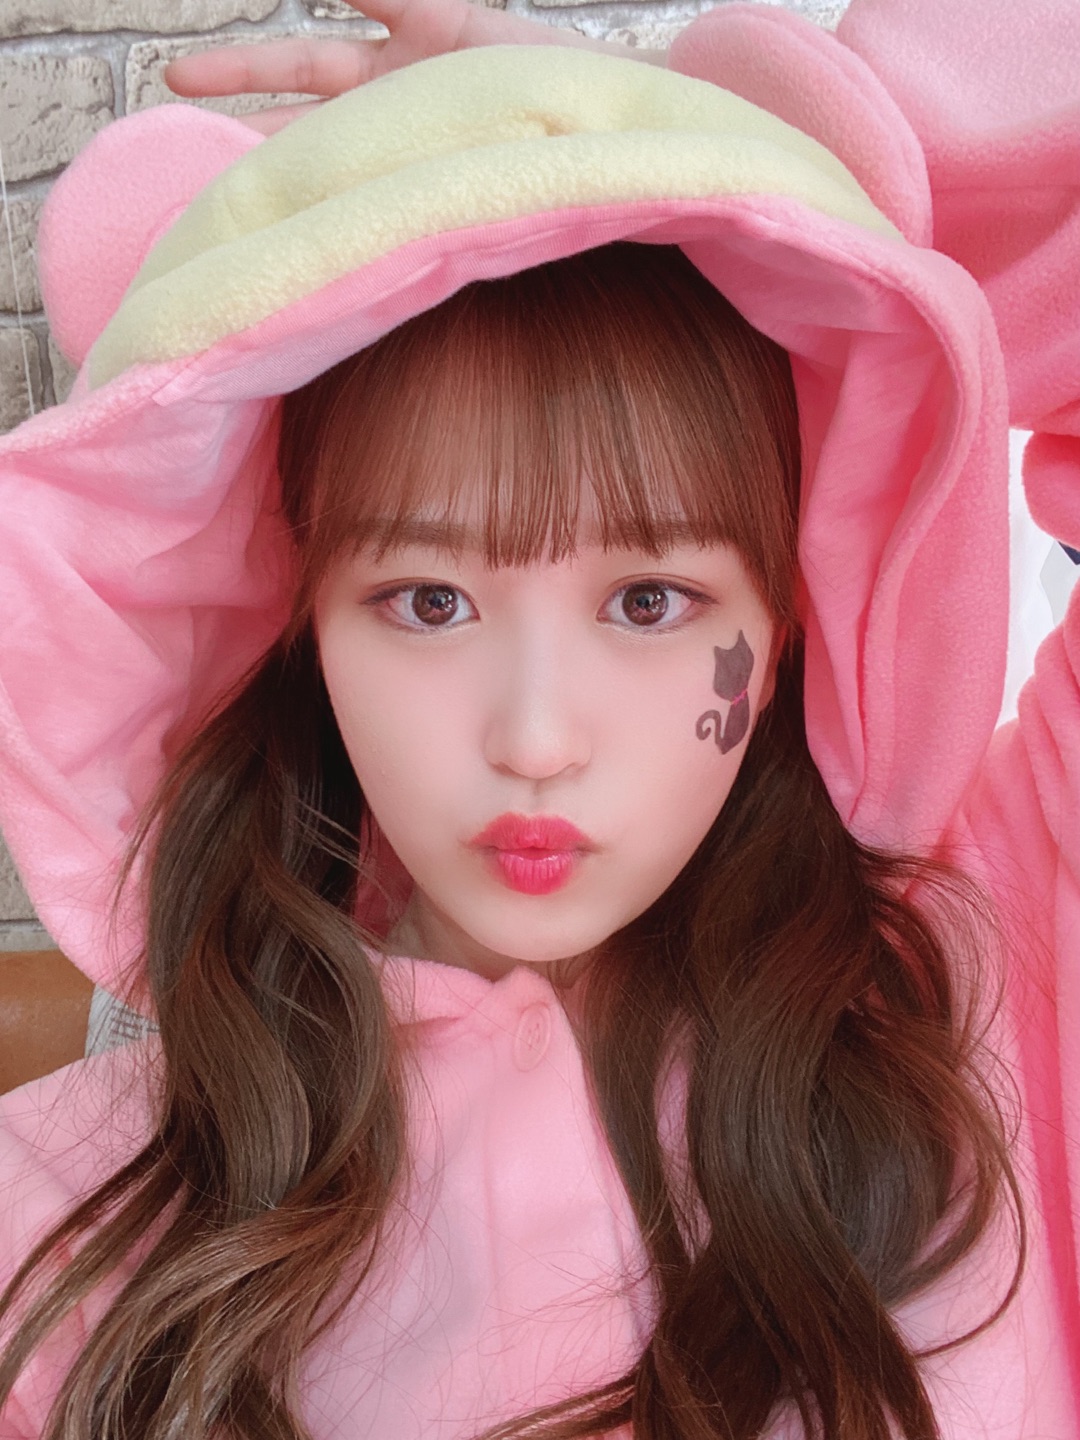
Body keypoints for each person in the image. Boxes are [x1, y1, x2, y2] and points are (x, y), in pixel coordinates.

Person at [0, 0, 1077, 1436]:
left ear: (788, 618)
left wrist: (652, 143)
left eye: (650, 601)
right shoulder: (67, 1215)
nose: (535, 739)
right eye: (429, 601)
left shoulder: (988, 987)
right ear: (300, 616)